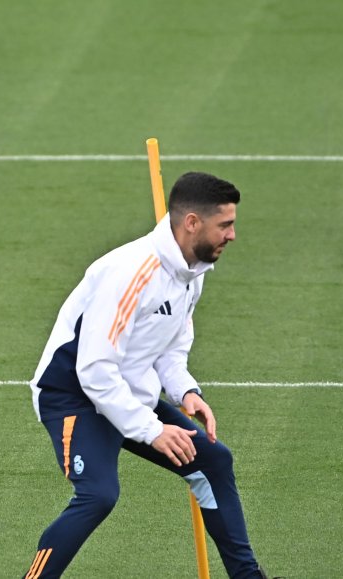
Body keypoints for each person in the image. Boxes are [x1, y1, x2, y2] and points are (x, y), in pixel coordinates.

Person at [24, 172, 276, 579]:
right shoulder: (130, 272)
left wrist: (185, 390)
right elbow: (94, 370)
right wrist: (151, 429)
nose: (233, 235)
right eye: (225, 225)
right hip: (73, 395)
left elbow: (170, 349)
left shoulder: (192, 272)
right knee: (98, 495)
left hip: (126, 394)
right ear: (192, 222)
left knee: (213, 461)